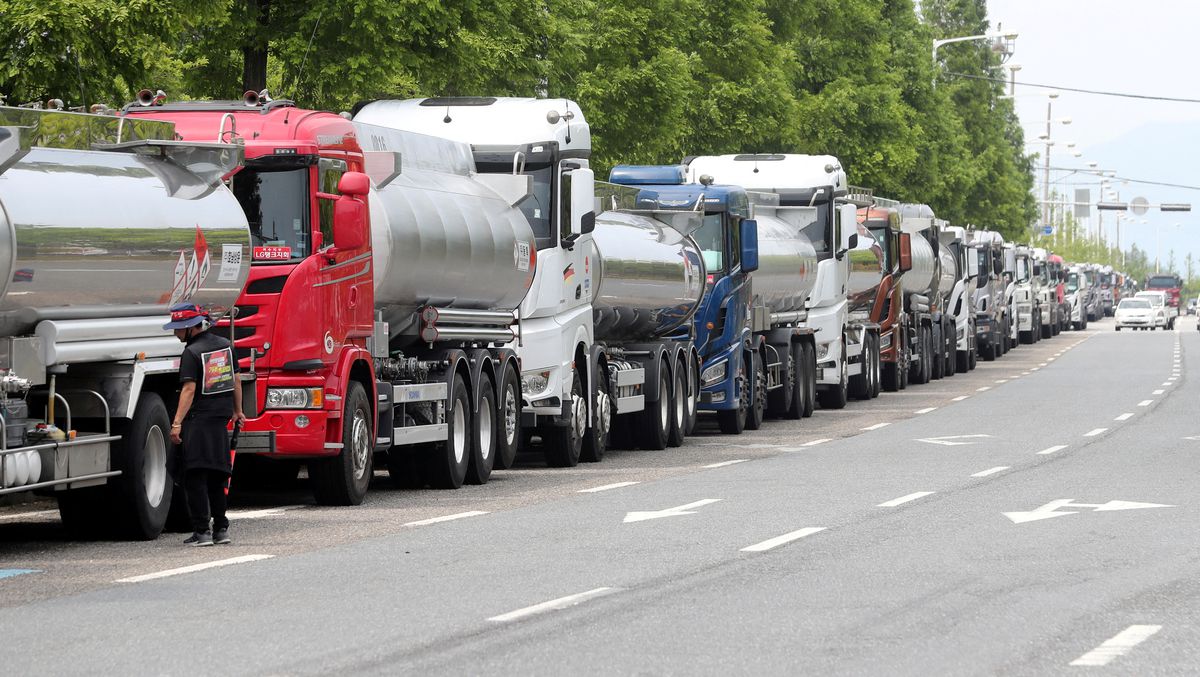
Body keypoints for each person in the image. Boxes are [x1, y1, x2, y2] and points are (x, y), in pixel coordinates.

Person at [164, 302, 246, 546]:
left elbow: (189, 389)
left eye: (179, 327)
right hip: (220, 422)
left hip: (197, 423)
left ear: (191, 328)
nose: (175, 332)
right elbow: (237, 381)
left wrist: (177, 423)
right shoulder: (226, 347)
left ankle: (202, 531)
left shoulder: (191, 352)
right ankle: (221, 529)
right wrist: (238, 411)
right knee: (218, 476)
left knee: (195, 477)